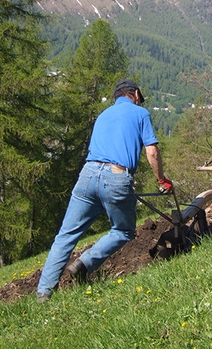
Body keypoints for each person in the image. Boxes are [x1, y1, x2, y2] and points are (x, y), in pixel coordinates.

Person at [37, 79, 173, 303]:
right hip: (116, 177)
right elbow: (152, 152)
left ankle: (44, 292)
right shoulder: (141, 114)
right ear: (135, 94)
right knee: (123, 231)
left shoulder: (103, 115)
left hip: (87, 175)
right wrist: (162, 180)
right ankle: (84, 263)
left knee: (66, 235)